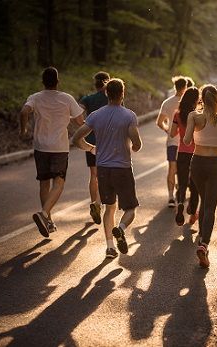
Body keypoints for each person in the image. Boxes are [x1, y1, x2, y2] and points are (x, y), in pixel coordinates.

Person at [72, 78, 142, 259]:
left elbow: (76, 139)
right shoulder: (129, 116)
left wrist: (90, 148)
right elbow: (137, 143)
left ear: (106, 93)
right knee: (130, 209)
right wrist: (133, 147)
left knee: (109, 208)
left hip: (102, 169)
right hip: (122, 169)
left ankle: (110, 247)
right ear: (122, 94)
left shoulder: (95, 115)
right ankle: (121, 228)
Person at [19, 67, 84, 237]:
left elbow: (24, 111)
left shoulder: (35, 97)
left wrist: (23, 129)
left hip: (41, 146)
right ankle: (44, 214)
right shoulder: (66, 98)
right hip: (59, 148)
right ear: (58, 81)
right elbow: (80, 121)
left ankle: (48, 221)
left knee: (44, 183)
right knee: (59, 183)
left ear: (43, 82)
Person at [184, 84, 217, 268]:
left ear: (201, 99)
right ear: (216, 97)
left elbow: (187, 140)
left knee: (205, 200)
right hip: (216, 164)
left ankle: (202, 239)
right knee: (210, 206)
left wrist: (197, 129)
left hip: (198, 163)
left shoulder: (194, 116)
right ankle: (204, 244)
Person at [79, 71, 110, 225]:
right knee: (104, 174)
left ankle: (94, 203)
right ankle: (98, 204)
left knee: (93, 174)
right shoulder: (112, 98)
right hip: (107, 142)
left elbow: (77, 112)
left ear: (95, 84)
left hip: (91, 141)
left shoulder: (88, 99)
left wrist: (84, 125)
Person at [170, 87, 200, 227]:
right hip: (196, 153)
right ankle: (193, 210)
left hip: (181, 153)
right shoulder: (196, 115)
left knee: (182, 183)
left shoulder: (178, 114)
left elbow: (172, 133)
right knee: (195, 186)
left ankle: (180, 203)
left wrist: (181, 131)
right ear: (195, 100)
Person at [156, 76, 187, 208]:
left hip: (172, 142)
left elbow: (159, 122)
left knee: (172, 168)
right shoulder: (188, 102)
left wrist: (168, 130)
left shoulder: (167, 103)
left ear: (175, 87)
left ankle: (170, 197)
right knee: (184, 169)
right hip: (186, 142)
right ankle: (181, 194)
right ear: (185, 87)